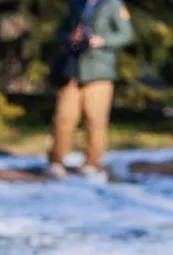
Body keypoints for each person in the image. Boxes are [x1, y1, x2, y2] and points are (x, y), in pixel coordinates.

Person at [47, 0, 134, 181]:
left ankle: (92, 163)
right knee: (64, 118)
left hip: (99, 72)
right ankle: (56, 160)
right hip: (73, 71)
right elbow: (60, 32)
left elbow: (126, 34)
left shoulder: (113, 5)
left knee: (96, 121)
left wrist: (102, 40)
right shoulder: (76, 4)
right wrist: (71, 36)